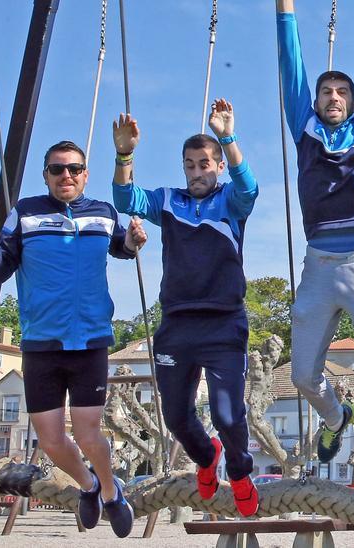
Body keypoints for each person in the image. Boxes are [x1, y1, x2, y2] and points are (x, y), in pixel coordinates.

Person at [0, 141, 147, 537]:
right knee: (49, 438)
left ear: (85, 173)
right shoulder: (25, 213)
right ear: (45, 174)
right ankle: (89, 485)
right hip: (42, 343)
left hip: (90, 340)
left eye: (74, 169)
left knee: (88, 432)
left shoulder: (103, 212)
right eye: (57, 169)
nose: (66, 175)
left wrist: (134, 241)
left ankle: (112, 494)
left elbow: (123, 248)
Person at [111, 98, 260, 516]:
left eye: (205, 164)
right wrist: (125, 153)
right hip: (176, 325)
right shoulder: (168, 201)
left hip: (223, 324)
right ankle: (207, 456)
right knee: (177, 417)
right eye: (190, 165)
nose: (197, 172)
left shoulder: (231, 202)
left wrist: (227, 137)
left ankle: (241, 471)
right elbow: (125, 199)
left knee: (228, 414)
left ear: (217, 167)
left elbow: (249, 186)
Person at [276, 0, 354, 479]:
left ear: (353, 99)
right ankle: (334, 416)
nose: (331, 95)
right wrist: (285, 11)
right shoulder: (303, 127)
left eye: (341, 90)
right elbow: (291, 61)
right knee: (303, 375)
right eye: (325, 90)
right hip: (318, 264)